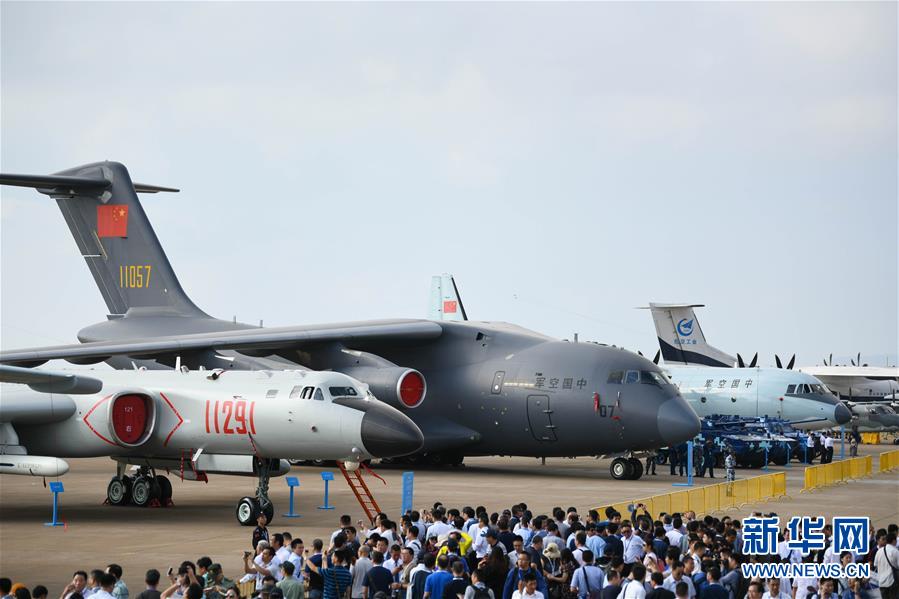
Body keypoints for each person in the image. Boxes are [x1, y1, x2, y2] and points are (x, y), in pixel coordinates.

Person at [874, 532, 899, 599]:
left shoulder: (879, 551)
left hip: (881, 582)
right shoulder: (895, 551)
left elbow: (875, 564)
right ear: (894, 540)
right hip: (892, 582)